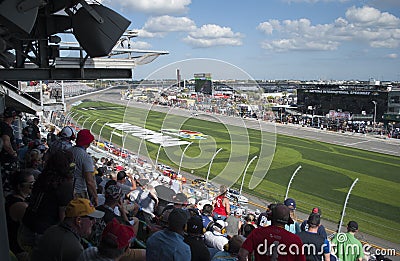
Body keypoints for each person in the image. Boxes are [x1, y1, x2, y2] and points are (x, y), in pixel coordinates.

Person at [19, 150, 76, 252]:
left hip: (26, 225)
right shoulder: (64, 185)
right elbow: (64, 215)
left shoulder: (42, 177)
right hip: (42, 231)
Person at [30, 198, 104, 261]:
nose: (94, 222)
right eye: (91, 218)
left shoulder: (53, 229)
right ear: (78, 220)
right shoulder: (74, 248)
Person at [238, 203, 305, 261]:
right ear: (288, 221)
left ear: (271, 217)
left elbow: (242, 254)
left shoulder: (258, 232)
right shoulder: (295, 240)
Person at [5, 170, 35, 259]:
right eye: (31, 184)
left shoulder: (11, 198)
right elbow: (33, 227)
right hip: (18, 250)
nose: (33, 186)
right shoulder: (20, 206)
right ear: (19, 186)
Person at [69, 129, 98, 206]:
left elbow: (72, 165)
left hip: (67, 187)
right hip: (79, 191)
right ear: (87, 143)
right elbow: (89, 181)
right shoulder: (86, 157)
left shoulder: (69, 150)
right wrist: (95, 196)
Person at [1, 107, 19, 182]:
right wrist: (13, 153)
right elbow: (6, 143)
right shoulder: (6, 127)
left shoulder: (2, 125)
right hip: (7, 162)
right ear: (13, 117)